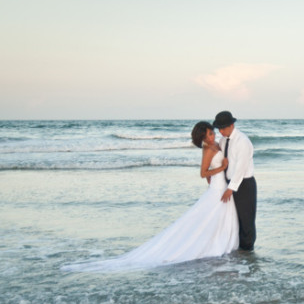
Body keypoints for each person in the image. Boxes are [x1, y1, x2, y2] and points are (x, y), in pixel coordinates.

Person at [62, 122, 239, 272]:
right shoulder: (208, 149)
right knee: (207, 219)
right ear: (202, 138)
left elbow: (208, 175)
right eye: (208, 134)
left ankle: (222, 245)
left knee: (216, 218)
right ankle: (209, 247)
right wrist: (222, 168)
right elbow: (203, 173)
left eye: (212, 133)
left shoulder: (217, 145)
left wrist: (216, 174)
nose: (212, 136)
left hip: (220, 186)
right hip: (217, 189)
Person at [213, 111, 257, 252]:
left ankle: (248, 252)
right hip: (228, 183)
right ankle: (237, 250)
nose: (220, 131)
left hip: (244, 184)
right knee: (233, 219)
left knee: (246, 221)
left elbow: (241, 168)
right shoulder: (223, 140)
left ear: (231, 125)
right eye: (218, 128)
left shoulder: (242, 141)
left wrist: (231, 188)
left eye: (223, 128)